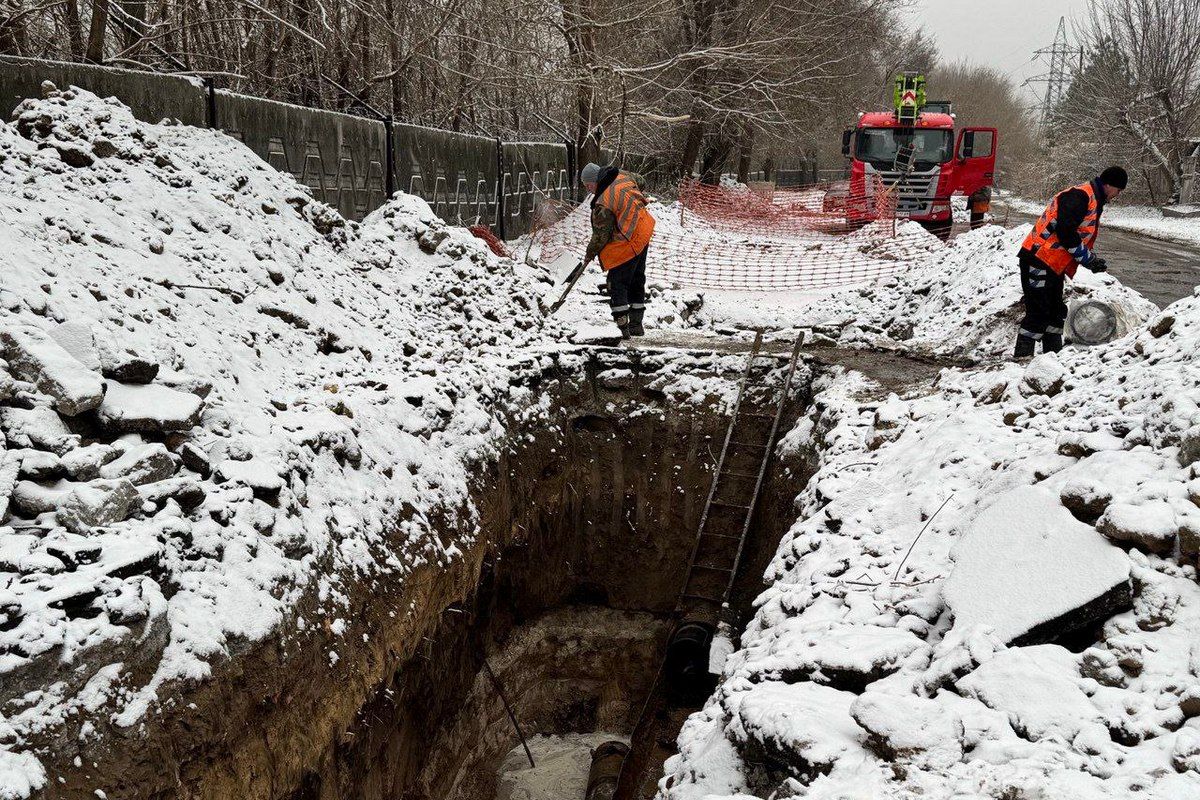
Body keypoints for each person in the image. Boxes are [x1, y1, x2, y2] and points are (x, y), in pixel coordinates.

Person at [1014, 166, 1127, 358]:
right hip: (1038, 258)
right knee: (1038, 313)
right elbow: (1066, 232)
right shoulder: (1080, 196)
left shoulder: (1091, 198)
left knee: (1055, 311)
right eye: (1119, 190)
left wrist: (1089, 258)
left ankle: (1053, 358)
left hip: (1052, 263)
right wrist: (1088, 260)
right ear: (1109, 185)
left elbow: (1077, 234)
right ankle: (1022, 360)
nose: (1118, 195)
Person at [580, 162, 656, 338]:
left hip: (627, 241)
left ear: (595, 181)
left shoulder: (603, 203)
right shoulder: (622, 177)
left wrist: (589, 253)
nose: (588, 189)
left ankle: (623, 328)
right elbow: (641, 181)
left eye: (588, 185)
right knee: (637, 278)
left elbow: (601, 236)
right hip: (643, 231)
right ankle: (637, 325)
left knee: (617, 282)